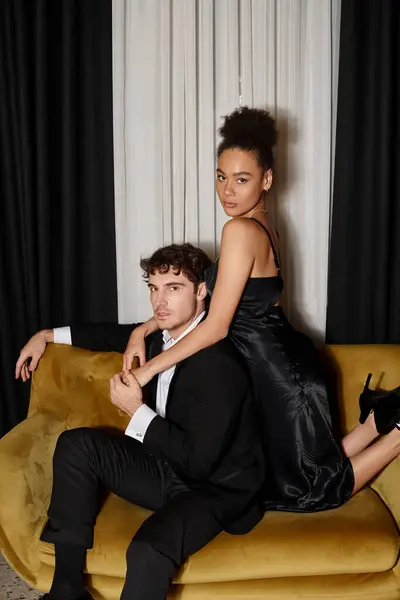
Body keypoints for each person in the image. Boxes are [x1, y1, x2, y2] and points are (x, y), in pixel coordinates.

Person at [121, 106, 400, 512]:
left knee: (310, 489)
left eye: (241, 179)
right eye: (221, 176)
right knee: (307, 470)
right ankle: (378, 417)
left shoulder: (238, 230)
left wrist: (147, 370)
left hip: (278, 374)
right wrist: (144, 328)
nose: (227, 191)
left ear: (266, 179)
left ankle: (395, 434)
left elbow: (216, 325)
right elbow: (227, 302)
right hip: (284, 363)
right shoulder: (266, 223)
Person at [15, 243, 265, 600]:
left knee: (148, 550)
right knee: (77, 446)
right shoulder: (162, 337)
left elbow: (199, 463)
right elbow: (107, 335)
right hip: (165, 466)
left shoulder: (219, 365)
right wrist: (46, 335)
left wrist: (137, 411)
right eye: (153, 288)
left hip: (210, 488)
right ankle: (67, 590)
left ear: (201, 291)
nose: (159, 301)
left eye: (173, 288)